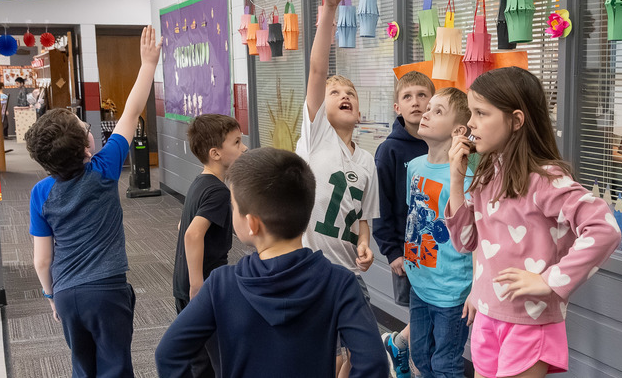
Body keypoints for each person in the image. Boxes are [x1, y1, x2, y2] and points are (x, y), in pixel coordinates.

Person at [446, 67, 621, 378]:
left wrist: (550, 280)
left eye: (481, 113)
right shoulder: (487, 173)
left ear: (516, 120)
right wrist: (457, 180)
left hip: (530, 323)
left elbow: (605, 229)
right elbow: (465, 241)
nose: (470, 123)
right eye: (472, 112)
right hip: (486, 317)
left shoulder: (545, 178)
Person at [156, 148, 389, 378]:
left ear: (252, 224)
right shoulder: (341, 283)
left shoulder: (221, 284)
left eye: (233, 207)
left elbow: (169, 353)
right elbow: (373, 361)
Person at [25, 24, 161, 378]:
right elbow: (131, 113)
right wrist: (148, 64)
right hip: (108, 292)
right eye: (84, 125)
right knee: (116, 367)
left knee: (83, 369)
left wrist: (51, 296)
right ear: (88, 147)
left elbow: (42, 260)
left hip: (67, 293)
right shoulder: (104, 168)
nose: (88, 126)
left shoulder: (40, 193)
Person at [295, 0, 380, 378]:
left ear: (359, 109)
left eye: (350, 93)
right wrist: (329, 9)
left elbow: (364, 218)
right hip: (311, 270)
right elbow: (316, 68)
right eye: (334, 92)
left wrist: (366, 245)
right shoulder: (316, 136)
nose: (343, 95)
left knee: (361, 354)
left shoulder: (367, 162)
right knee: (320, 355)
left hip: (349, 274)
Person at [404, 87, 474, 378]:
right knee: (420, 357)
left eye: (437, 111)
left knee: (444, 364)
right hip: (419, 282)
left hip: (451, 290)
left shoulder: (466, 178)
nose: (426, 113)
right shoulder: (415, 166)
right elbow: (412, 217)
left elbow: (471, 237)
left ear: (458, 130)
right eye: (428, 107)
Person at [172, 113, 247, 377]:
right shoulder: (218, 191)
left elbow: (182, 226)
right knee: (211, 361)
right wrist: (197, 285)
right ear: (215, 153)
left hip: (183, 283)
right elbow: (192, 234)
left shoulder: (199, 182)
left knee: (200, 356)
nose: (244, 147)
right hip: (202, 285)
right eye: (237, 143)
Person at [374, 70, 435, 378]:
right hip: (409, 252)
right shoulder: (389, 151)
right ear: (397, 107)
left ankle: (398, 344)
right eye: (408, 97)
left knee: (437, 316)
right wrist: (392, 251)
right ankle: (410, 361)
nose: (416, 102)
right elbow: (379, 206)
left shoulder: (441, 145)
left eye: (422, 95)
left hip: (441, 250)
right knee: (425, 319)